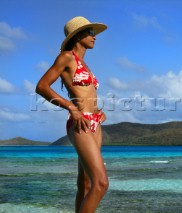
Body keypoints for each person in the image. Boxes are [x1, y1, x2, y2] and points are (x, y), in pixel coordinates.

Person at [36, 16, 109, 213]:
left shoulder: (85, 64)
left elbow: (87, 94)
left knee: (85, 185)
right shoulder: (67, 57)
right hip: (80, 124)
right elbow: (42, 86)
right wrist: (72, 108)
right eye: (90, 32)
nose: (95, 37)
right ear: (78, 35)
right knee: (101, 183)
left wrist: (98, 112)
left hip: (94, 123)